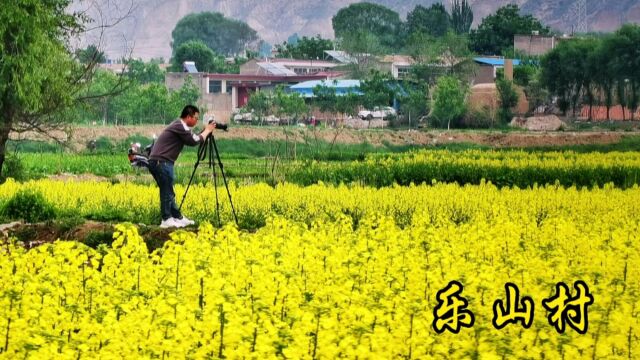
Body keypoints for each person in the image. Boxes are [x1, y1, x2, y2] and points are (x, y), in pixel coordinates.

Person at [148, 105, 216, 228]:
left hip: (159, 161)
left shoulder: (180, 126)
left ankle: (177, 217)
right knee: (166, 190)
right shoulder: (179, 126)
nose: (196, 121)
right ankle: (166, 219)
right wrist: (207, 131)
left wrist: (205, 131)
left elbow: (192, 137)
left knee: (168, 190)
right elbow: (193, 141)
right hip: (161, 162)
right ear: (188, 116)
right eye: (196, 118)